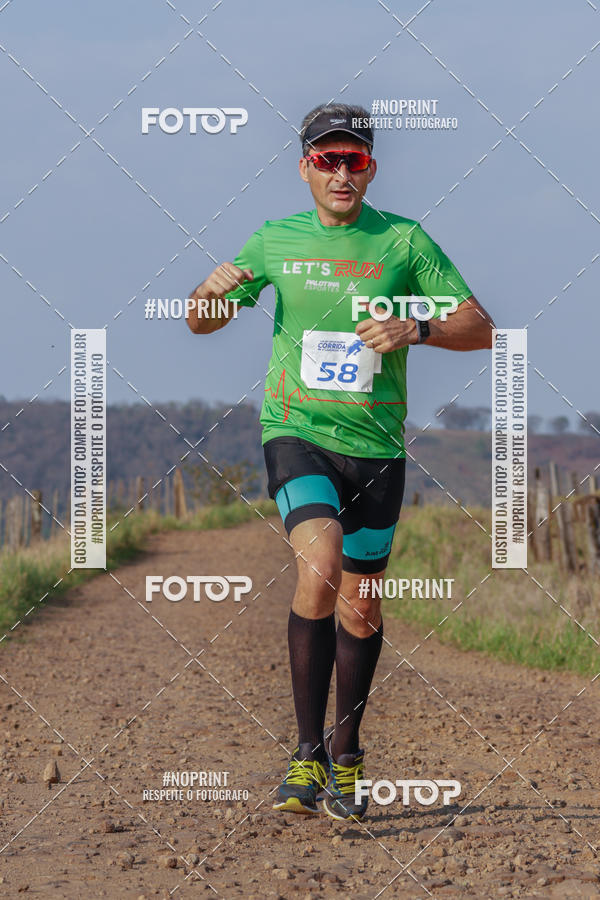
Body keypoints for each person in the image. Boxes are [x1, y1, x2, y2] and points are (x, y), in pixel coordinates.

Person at [187, 102, 495, 821]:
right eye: (327, 158)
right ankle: (304, 754)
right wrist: (205, 298)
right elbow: (202, 322)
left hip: (376, 446)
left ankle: (348, 755)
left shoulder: (403, 241)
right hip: (295, 429)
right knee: (318, 566)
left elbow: (480, 327)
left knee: (360, 604)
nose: (340, 171)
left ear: (371, 169)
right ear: (305, 168)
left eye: (353, 159)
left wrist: (416, 327)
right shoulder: (272, 241)